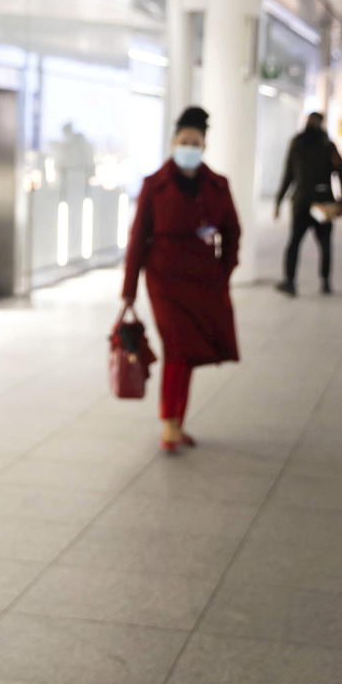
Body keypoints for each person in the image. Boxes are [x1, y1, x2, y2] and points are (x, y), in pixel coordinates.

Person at [122, 106, 241, 452]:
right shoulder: (153, 186)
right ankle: (169, 426)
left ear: (204, 147)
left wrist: (224, 271)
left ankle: (177, 422)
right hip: (164, 282)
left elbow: (232, 232)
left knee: (187, 353)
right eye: (184, 140)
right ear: (173, 142)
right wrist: (129, 290)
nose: (189, 146)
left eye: (196, 142)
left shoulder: (217, 187)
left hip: (203, 282)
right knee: (177, 348)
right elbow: (137, 238)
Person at [274, 112, 342, 295]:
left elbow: (288, 175)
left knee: (294, 243)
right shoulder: (327, 145)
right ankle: (325, 282)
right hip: (322, 204)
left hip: (302, 202)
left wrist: (279, 200)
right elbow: (341, 171)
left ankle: (290, 282)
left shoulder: (298, 143)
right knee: (324, 243)